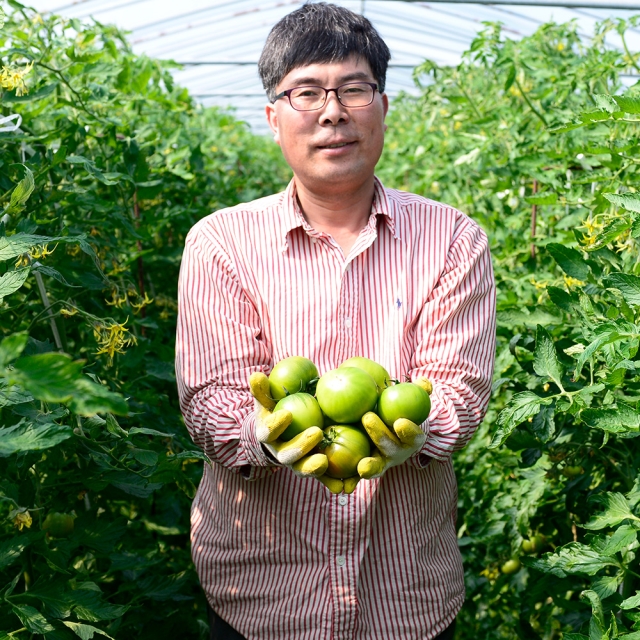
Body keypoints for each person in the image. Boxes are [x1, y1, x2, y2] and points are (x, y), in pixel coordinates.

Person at [175, 3, 496, 639]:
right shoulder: (221, 243)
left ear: (382, 107)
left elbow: (460, 389)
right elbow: (209, 402)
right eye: (306, 92)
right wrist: (265, 435)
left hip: (405, 595)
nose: (332, 111)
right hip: (261, 592)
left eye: (354, 88)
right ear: (273, 117)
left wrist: (420, 428)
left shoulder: (452, 239)